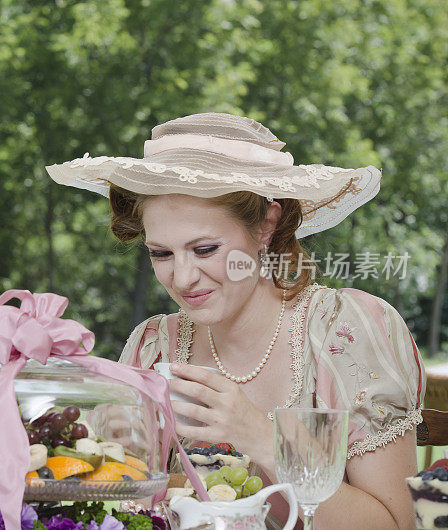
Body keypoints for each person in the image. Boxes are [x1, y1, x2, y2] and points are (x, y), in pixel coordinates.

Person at [46, 112, 424, 530]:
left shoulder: (346, 330)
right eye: (161, 254)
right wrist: (118, 459)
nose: (184, 278)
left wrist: (264, 439)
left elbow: (395, 525)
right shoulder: (153, 345)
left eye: (205, 249)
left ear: (267, 224)